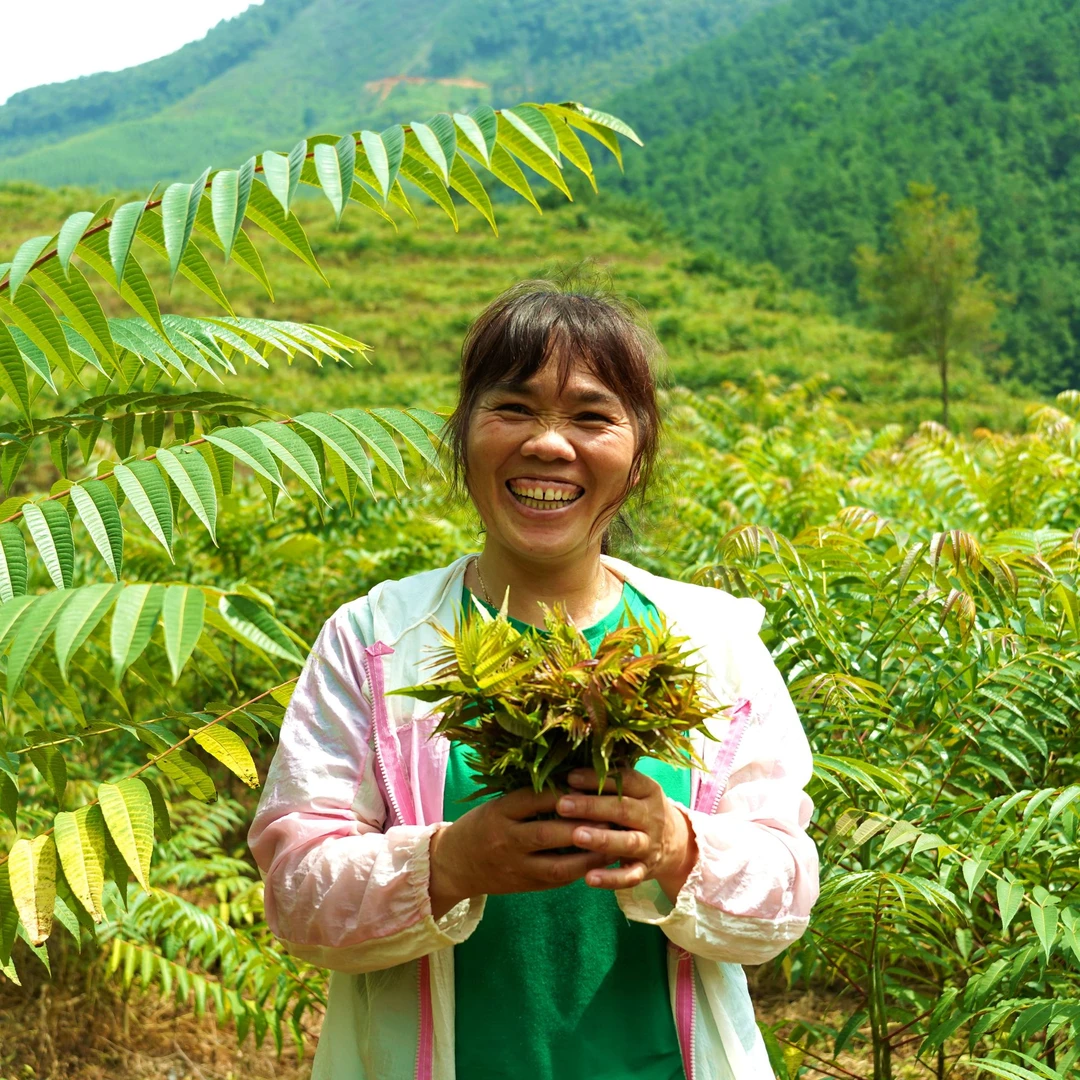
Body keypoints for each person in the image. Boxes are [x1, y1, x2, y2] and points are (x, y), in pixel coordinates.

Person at [248, 279, 819, 1080]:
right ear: (464, 434)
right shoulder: (377, 640)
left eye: (592, 416)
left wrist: (675, 847)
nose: (550, 445)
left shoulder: (713, 642)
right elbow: (297, 897)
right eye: (513, 409)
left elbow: (785, 896)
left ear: (639, 450)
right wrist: (448, 865)